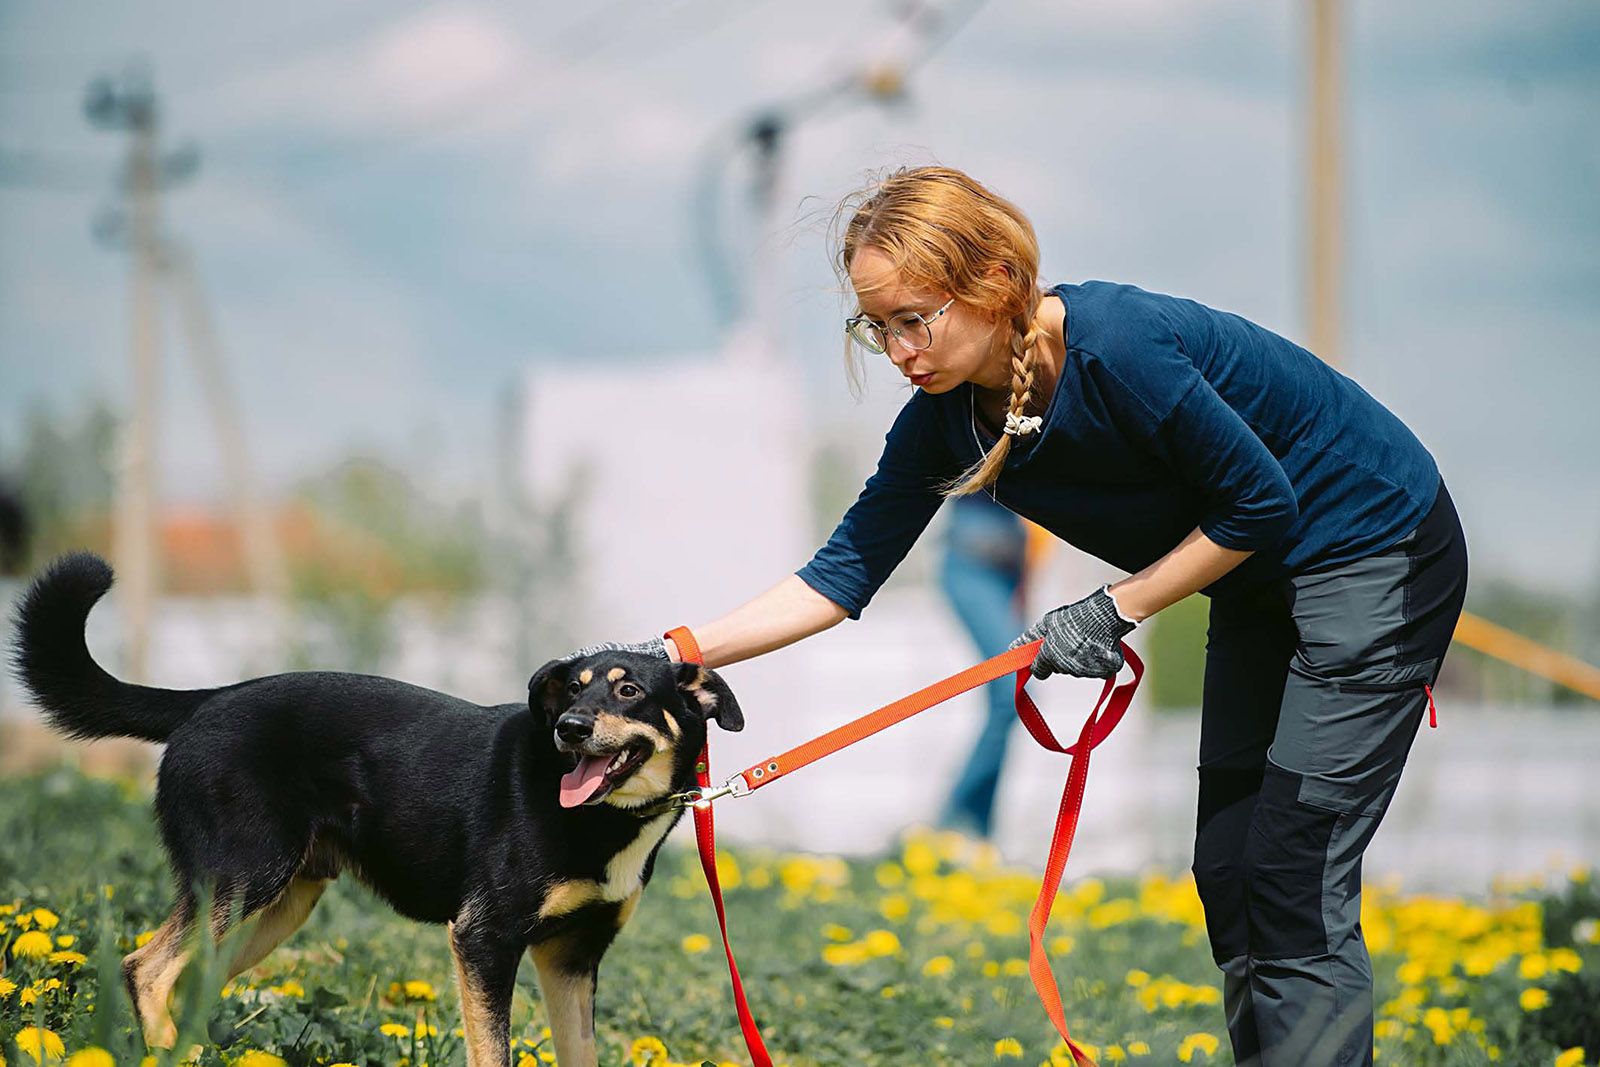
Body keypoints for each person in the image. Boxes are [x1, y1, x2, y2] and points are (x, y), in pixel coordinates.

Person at [566, 165, 1468, 1067]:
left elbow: (1262, 504)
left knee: (1291, 871)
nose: (899, 350)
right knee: (1230, 869)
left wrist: (1113, 609)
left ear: (994, 282)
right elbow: (839, 577)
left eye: (914, 319)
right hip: (1254, 583)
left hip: (1378, 546)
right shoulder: (945, 417)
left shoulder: (1121, 349)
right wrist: (669, 651)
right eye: (877, 327)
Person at [934, 490, 1029, 840]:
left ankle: (975, 831)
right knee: (1012, 693)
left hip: (1007, 561)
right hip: (974, 556)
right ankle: (956, 825)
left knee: (1012, 697)